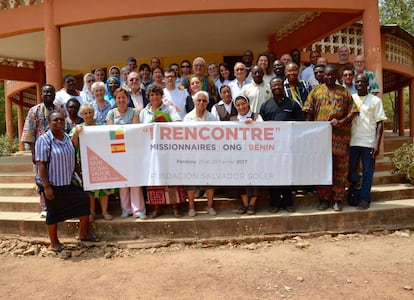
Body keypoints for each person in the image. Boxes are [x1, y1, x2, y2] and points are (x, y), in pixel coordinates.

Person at [35, 110, 96, 252]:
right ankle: (54, 243)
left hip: (68, 183)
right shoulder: (44, 140)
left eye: (61, 120)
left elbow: (73, 159)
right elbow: (41, 165)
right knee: (53, 213)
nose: (59, 122)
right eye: (55, 120)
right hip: (53, 185)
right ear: (49, 122)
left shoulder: (67, 138)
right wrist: (47, 187)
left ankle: (84, 234)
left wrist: (81, 175)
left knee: (84, 202)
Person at [303, 64, 358, 212]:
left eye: (333, 75)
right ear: (322, 76)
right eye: (327, 75)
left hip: (340, 140)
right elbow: (308, 113)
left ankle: (338, 199)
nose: (330, 77)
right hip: (320, 141)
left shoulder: (344, 92)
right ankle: (323, 199)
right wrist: (308, 133)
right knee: (322, 169)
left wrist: (340, 122)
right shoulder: (315, 92)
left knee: (340, 170)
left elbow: (353, 112)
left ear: (337, 76)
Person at [260, 77, 304, 213]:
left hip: (288, 147)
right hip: (271, 149)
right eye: (274, 86)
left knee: (287, 175)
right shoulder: (265, 106)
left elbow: (300, 125)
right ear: (270, 88)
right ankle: (274, 203)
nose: (276, 87)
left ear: (283, 87)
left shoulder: (293, 105)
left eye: (279, 85)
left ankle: (288, 202)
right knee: (273, 176)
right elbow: (261, 128)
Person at [140, 84, 184, 218]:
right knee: (154, 180)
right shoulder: (143, 112)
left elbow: (178, 123)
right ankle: (156, 207)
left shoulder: (169, 108)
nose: (154, 97)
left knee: (170, 178)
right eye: (151, 95)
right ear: (148, 97)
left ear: (161, 96)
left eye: (157, 94)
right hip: (151, 151)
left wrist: (164, 121)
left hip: (168, 149)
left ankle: (175, 207)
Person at [106, 88, 146, 219]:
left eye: (123, 97)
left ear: (127, 99)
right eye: (118, 98)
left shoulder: (134, 112)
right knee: (123, 182)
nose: (121, 100)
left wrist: (121, 132)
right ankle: (125, 209)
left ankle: (138, 210)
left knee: (135, 181)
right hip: (118, 152)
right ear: (115, 99)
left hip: (133, 151)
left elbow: (134, 131)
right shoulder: (111, 114)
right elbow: (110, 132)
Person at [348, 74, 387, 210]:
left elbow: (380, 123)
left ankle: (364, 199)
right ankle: (354, 194)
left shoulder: (375, 101)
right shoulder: (350, 98)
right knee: (352, 171)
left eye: (362, 82)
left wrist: (376, 143)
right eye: (357, 82)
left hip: (368, 142)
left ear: (367, 84)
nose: (359, 84)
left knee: (367, 172)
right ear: (354, 83)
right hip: (352, 142)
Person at [70, 104, 115, 221]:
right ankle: (91, 212)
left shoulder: (101, 127)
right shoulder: (78, 128)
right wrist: (76, 133)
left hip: (100, 161)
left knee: (103, 187)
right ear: (82, 115)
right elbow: (72, 146)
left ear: (93, 113)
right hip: (85, 162)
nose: (88, 115)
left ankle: (105, 211)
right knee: (89, 189)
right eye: (85, 113)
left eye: (90, 112)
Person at [21, 84, 60, 217]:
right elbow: (28, 133)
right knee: (42, 180)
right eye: (46, 92)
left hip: (57, 151)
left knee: (57, 178)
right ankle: (45, 207)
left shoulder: (60, 109)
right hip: (40, 153)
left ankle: (58, 205)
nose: (48, 94)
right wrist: (33, 152)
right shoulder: (34, 111)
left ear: (54, 94)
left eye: (51, 92)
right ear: (41, 95)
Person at [184, 91, 218, 217]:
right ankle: (191, 207)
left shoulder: (212, 118)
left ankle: (209, 206)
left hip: (208, 155)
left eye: (204, 101)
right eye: (199, 100)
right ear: (194, 101)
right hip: (192, 155)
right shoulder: (187, 118)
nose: (201, 103)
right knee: (191, 182)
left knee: (209, 182)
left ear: (208, 103)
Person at [231, 95, 263, 215]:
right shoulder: (232, 120)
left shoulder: (256, 116)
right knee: (241, 181)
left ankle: (252, 205)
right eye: (238, 105)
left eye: (243, 104)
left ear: (248, 104)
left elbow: (264, 132)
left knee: (254, 180)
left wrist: (254, 124)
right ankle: (245, 204)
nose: (241, 107)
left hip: (254, 155)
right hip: (239, 155)